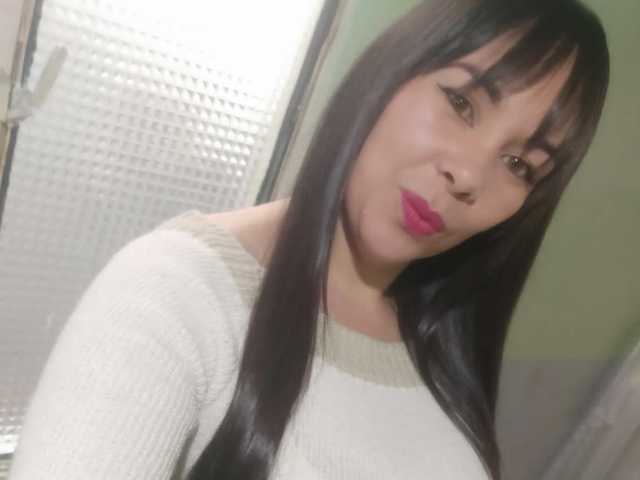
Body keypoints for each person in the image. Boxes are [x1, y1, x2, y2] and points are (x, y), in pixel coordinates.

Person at [8, 0, 609, 479]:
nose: (470, 174)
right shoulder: (178, 294)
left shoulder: (440, 342)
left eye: (520, 165)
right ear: (391, 71)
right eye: (461, 103)